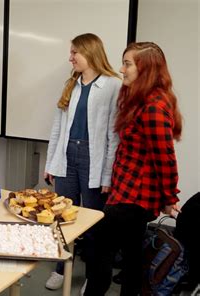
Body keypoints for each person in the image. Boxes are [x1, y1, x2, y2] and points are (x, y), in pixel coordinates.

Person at [84, 42, 182, 296]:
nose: (121, 69)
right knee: (131, 258)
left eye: (127, 64)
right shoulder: (141, 99)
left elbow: (166, 160)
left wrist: (169, 198)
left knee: (99, 255)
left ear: (146, 68)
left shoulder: (153, 107)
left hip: (134, 198)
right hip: (128, 192)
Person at [44, 33, 121, 290]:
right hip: (67, 154)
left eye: (75, 52)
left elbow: (113, 135)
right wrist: (51, 162)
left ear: (90, 52)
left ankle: (93, 273)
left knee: (92, 220)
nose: (70, 57)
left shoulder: (112, 85)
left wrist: (107, 176)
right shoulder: (72, 83)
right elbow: (58, 127)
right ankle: (60, 267)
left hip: (93, 158)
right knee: (61, 215)